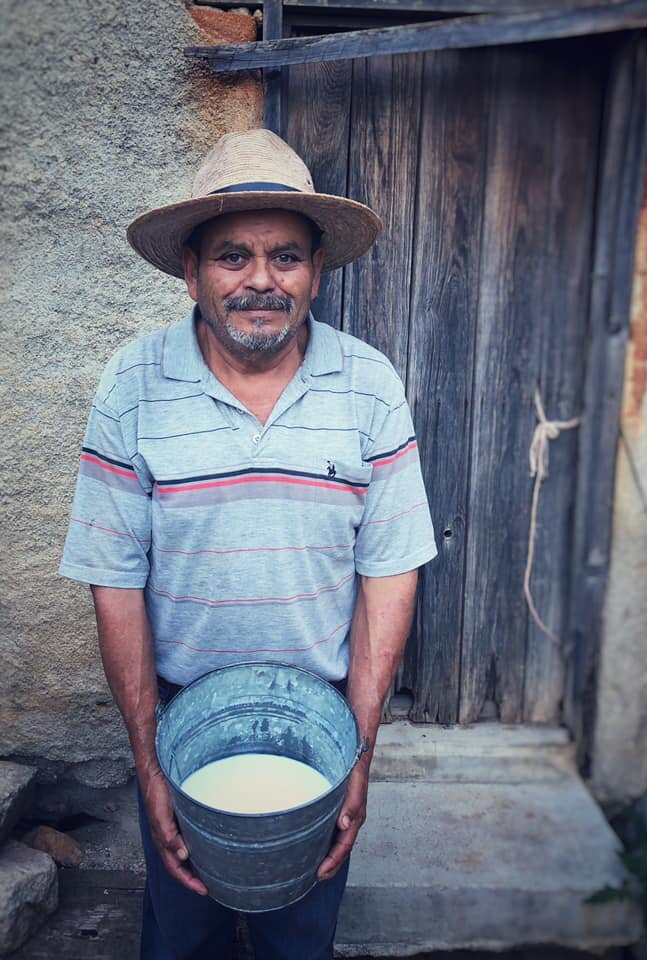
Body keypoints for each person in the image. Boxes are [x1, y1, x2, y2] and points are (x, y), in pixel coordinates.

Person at [60, 128, 437, 960]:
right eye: (233, 256)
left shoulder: (368, 384)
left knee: (300, 940)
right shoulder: (134, 383)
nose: (261, 280)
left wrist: (358, 753)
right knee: (180, 936)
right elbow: (113, 578)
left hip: (322, 726)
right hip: (180, 723)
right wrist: (151, 764)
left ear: (316, 271)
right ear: (191, 272)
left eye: (286, 257)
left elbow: (390, 571)